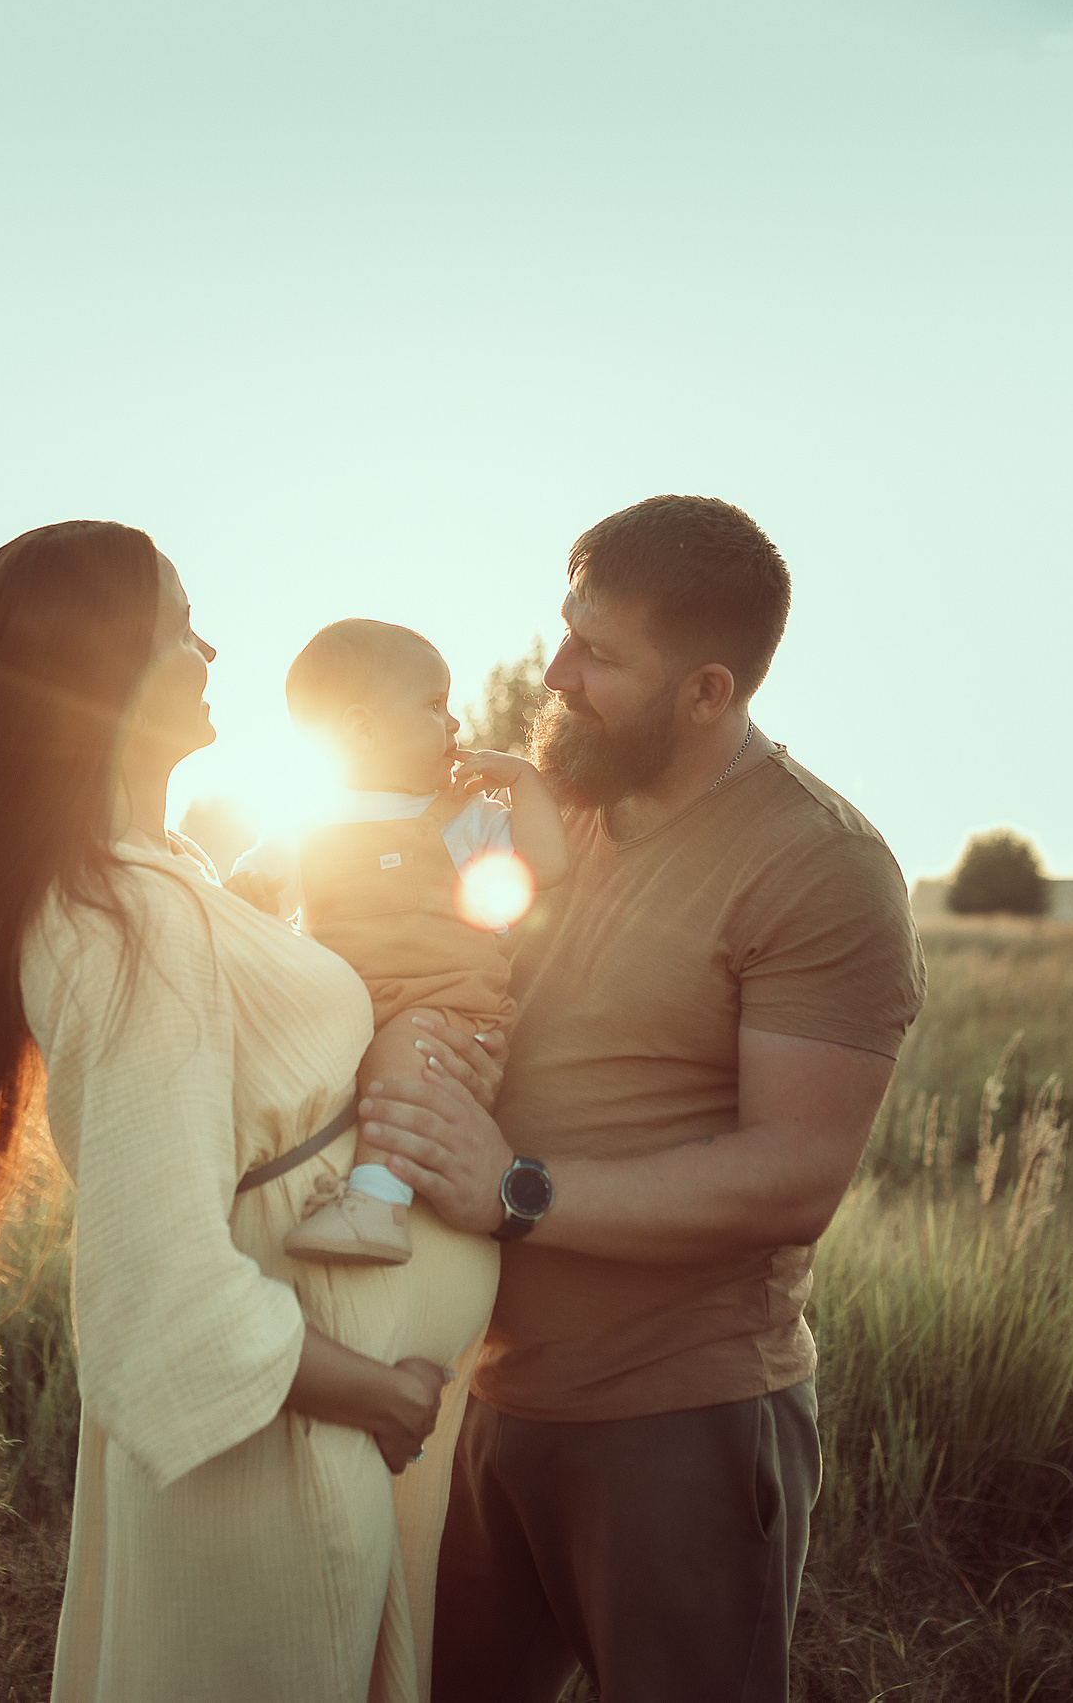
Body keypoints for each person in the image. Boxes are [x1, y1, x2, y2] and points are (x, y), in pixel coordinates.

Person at [0, 522, 503, 1703]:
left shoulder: (160, 878)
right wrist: (376, 1391)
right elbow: (158, 1289)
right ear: (100, 670)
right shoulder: (122, 921)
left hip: (314, 1445)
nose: (209, 651)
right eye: (179, 628)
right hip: (285, 1465)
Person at [356, 496, 927, 1702]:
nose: (555, 675)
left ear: (707, 691)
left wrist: (511, 1190)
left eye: (599, 655)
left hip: (678, 1428)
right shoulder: (550, 807)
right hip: (479, 1398)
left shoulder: (821, 865)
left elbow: (792, 1175)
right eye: (566, 632)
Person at [227, 618, 568, 1267]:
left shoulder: (464, 818)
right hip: (349, 1011)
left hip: (443, 1015)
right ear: (360, 729)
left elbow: (546, 865)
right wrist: (248, 891)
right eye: (433, 705)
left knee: (401, 1054)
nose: (455, 723)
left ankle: (377, 1203)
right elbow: (254, 900)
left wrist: (525, 782)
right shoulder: (305, 826)